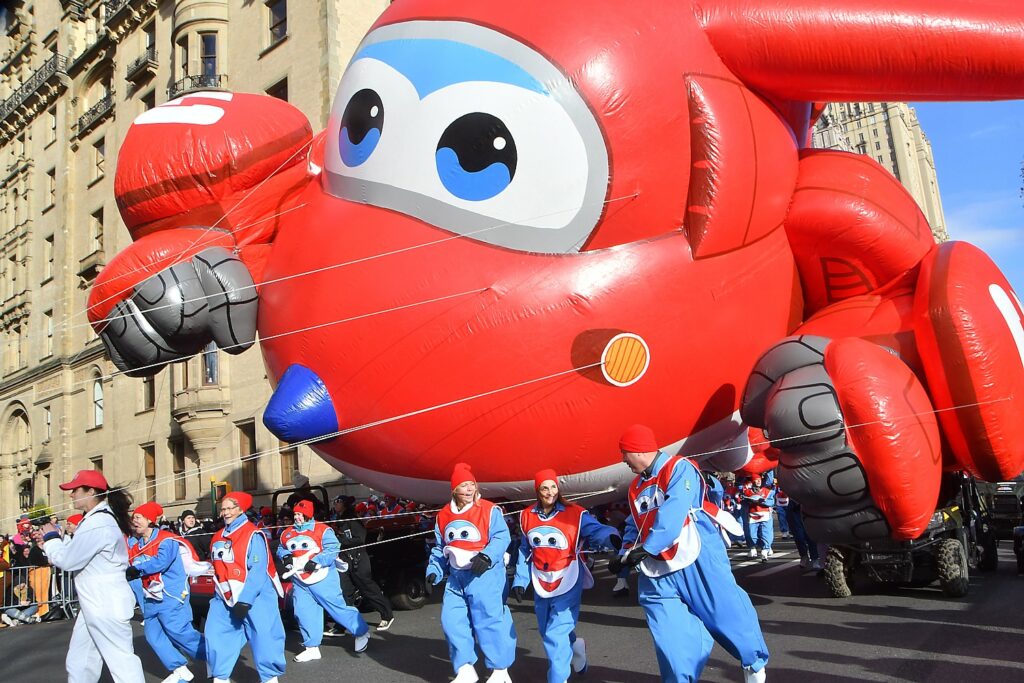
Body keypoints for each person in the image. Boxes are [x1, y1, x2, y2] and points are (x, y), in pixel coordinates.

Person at [613, 425, 769, 683]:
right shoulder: (635, 487)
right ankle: (679, 678)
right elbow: (635, 524)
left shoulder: (679, 467)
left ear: (637, 450)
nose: (622, 460)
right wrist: (623, 554)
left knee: (725, 612)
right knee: (669, 636)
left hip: (695, 554)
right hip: (656, 570)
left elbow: (675, 510)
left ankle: (753, 662)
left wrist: (645, 549)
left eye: (624, 453)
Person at [34, 469, 146, 683]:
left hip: (104, 602)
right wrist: (50, 544)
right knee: (80, 660)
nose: (72, 494)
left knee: (121, 662)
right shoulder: (95, 520)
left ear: (91, 491)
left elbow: (68, 560)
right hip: (93, 602)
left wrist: (50, 538)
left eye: (75, 490)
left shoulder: (98, 523)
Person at [512, 469, 621, 683]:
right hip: (541, 577)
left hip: (568, 576)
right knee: (547, 630)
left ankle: (558, 678)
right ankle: (576, 646)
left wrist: (611, 538)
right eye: (545, 487)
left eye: (553, 487)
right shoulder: (526, 515)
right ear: (537, 490)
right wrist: (520, 580)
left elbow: (596, 530)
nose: (550, 492)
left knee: (555, 633)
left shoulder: (575, 512)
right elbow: (526, 551)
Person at [426, 463, 516, 683]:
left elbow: (501, 537)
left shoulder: (488, 509)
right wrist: (434, 570)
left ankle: (500, 669)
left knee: (488, 619)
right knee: (451, 620)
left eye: (471, 485)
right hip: (456, 577)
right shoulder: (443, 515)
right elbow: (439, 547)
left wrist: (486, 556)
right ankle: (465, 668)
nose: (468, 489)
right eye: (463, 486)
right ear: (454, 489)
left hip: (484, 574)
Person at [206, 491, 286, 683]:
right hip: (224, 596)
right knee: (215, 634)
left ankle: (270, 677)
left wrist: (245, 600)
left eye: (229, 508)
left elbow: (257, 570)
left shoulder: (253, 534)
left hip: (255, 596)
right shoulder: (217, 536)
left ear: (240, 509)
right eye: (222, 509)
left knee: (264, 636)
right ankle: (220, 676)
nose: (224, 512)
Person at [126, 501, 209, 683]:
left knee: (180, 633)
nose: (135, 521)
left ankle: (217, 655)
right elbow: (129, 566)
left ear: (149, 519)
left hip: (171, 596)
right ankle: (180, 670)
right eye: (134, 518)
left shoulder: (166, 540)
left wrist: (137, 570)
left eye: (138, 518)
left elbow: (160, 562)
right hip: (151, 598)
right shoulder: (136, 545)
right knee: (152, 634)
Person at [278, 499, 370, 662]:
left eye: (301, 514)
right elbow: (282, 548)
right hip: (299, 579)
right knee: (303, 611)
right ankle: (311, 646)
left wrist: (317, 562)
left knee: (336, 608)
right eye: (296, 514)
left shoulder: (323, 530)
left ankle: (361, 631)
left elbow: (333, 548)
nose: (298, 517)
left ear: (308, 515)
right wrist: (285, 557)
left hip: (323, 577)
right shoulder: (288, 533)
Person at [330, 495, 394, 631]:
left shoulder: (353, 520)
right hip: (344, 560)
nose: (335, 504)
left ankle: (387, 615)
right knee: (344, 591)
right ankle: (342, 625)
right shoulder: (339, 521)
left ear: (345, 504)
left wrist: (340, 540)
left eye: (338, 502)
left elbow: (360, 538)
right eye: (334, 502)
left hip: (358, 558)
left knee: (367, 588)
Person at [741, 474, 775, 562]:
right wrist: (747, 500)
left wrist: (762, 502)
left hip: (765, 515)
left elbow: (771, 502)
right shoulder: (747, 492)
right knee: (752, 535)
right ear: (752, 482)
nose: (758, 481)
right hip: (752, 516)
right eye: (756, 480)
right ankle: (754, 547)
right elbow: (743, 503)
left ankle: (765, 550)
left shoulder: (767, 491)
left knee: (766, 533)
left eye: (759, 479)